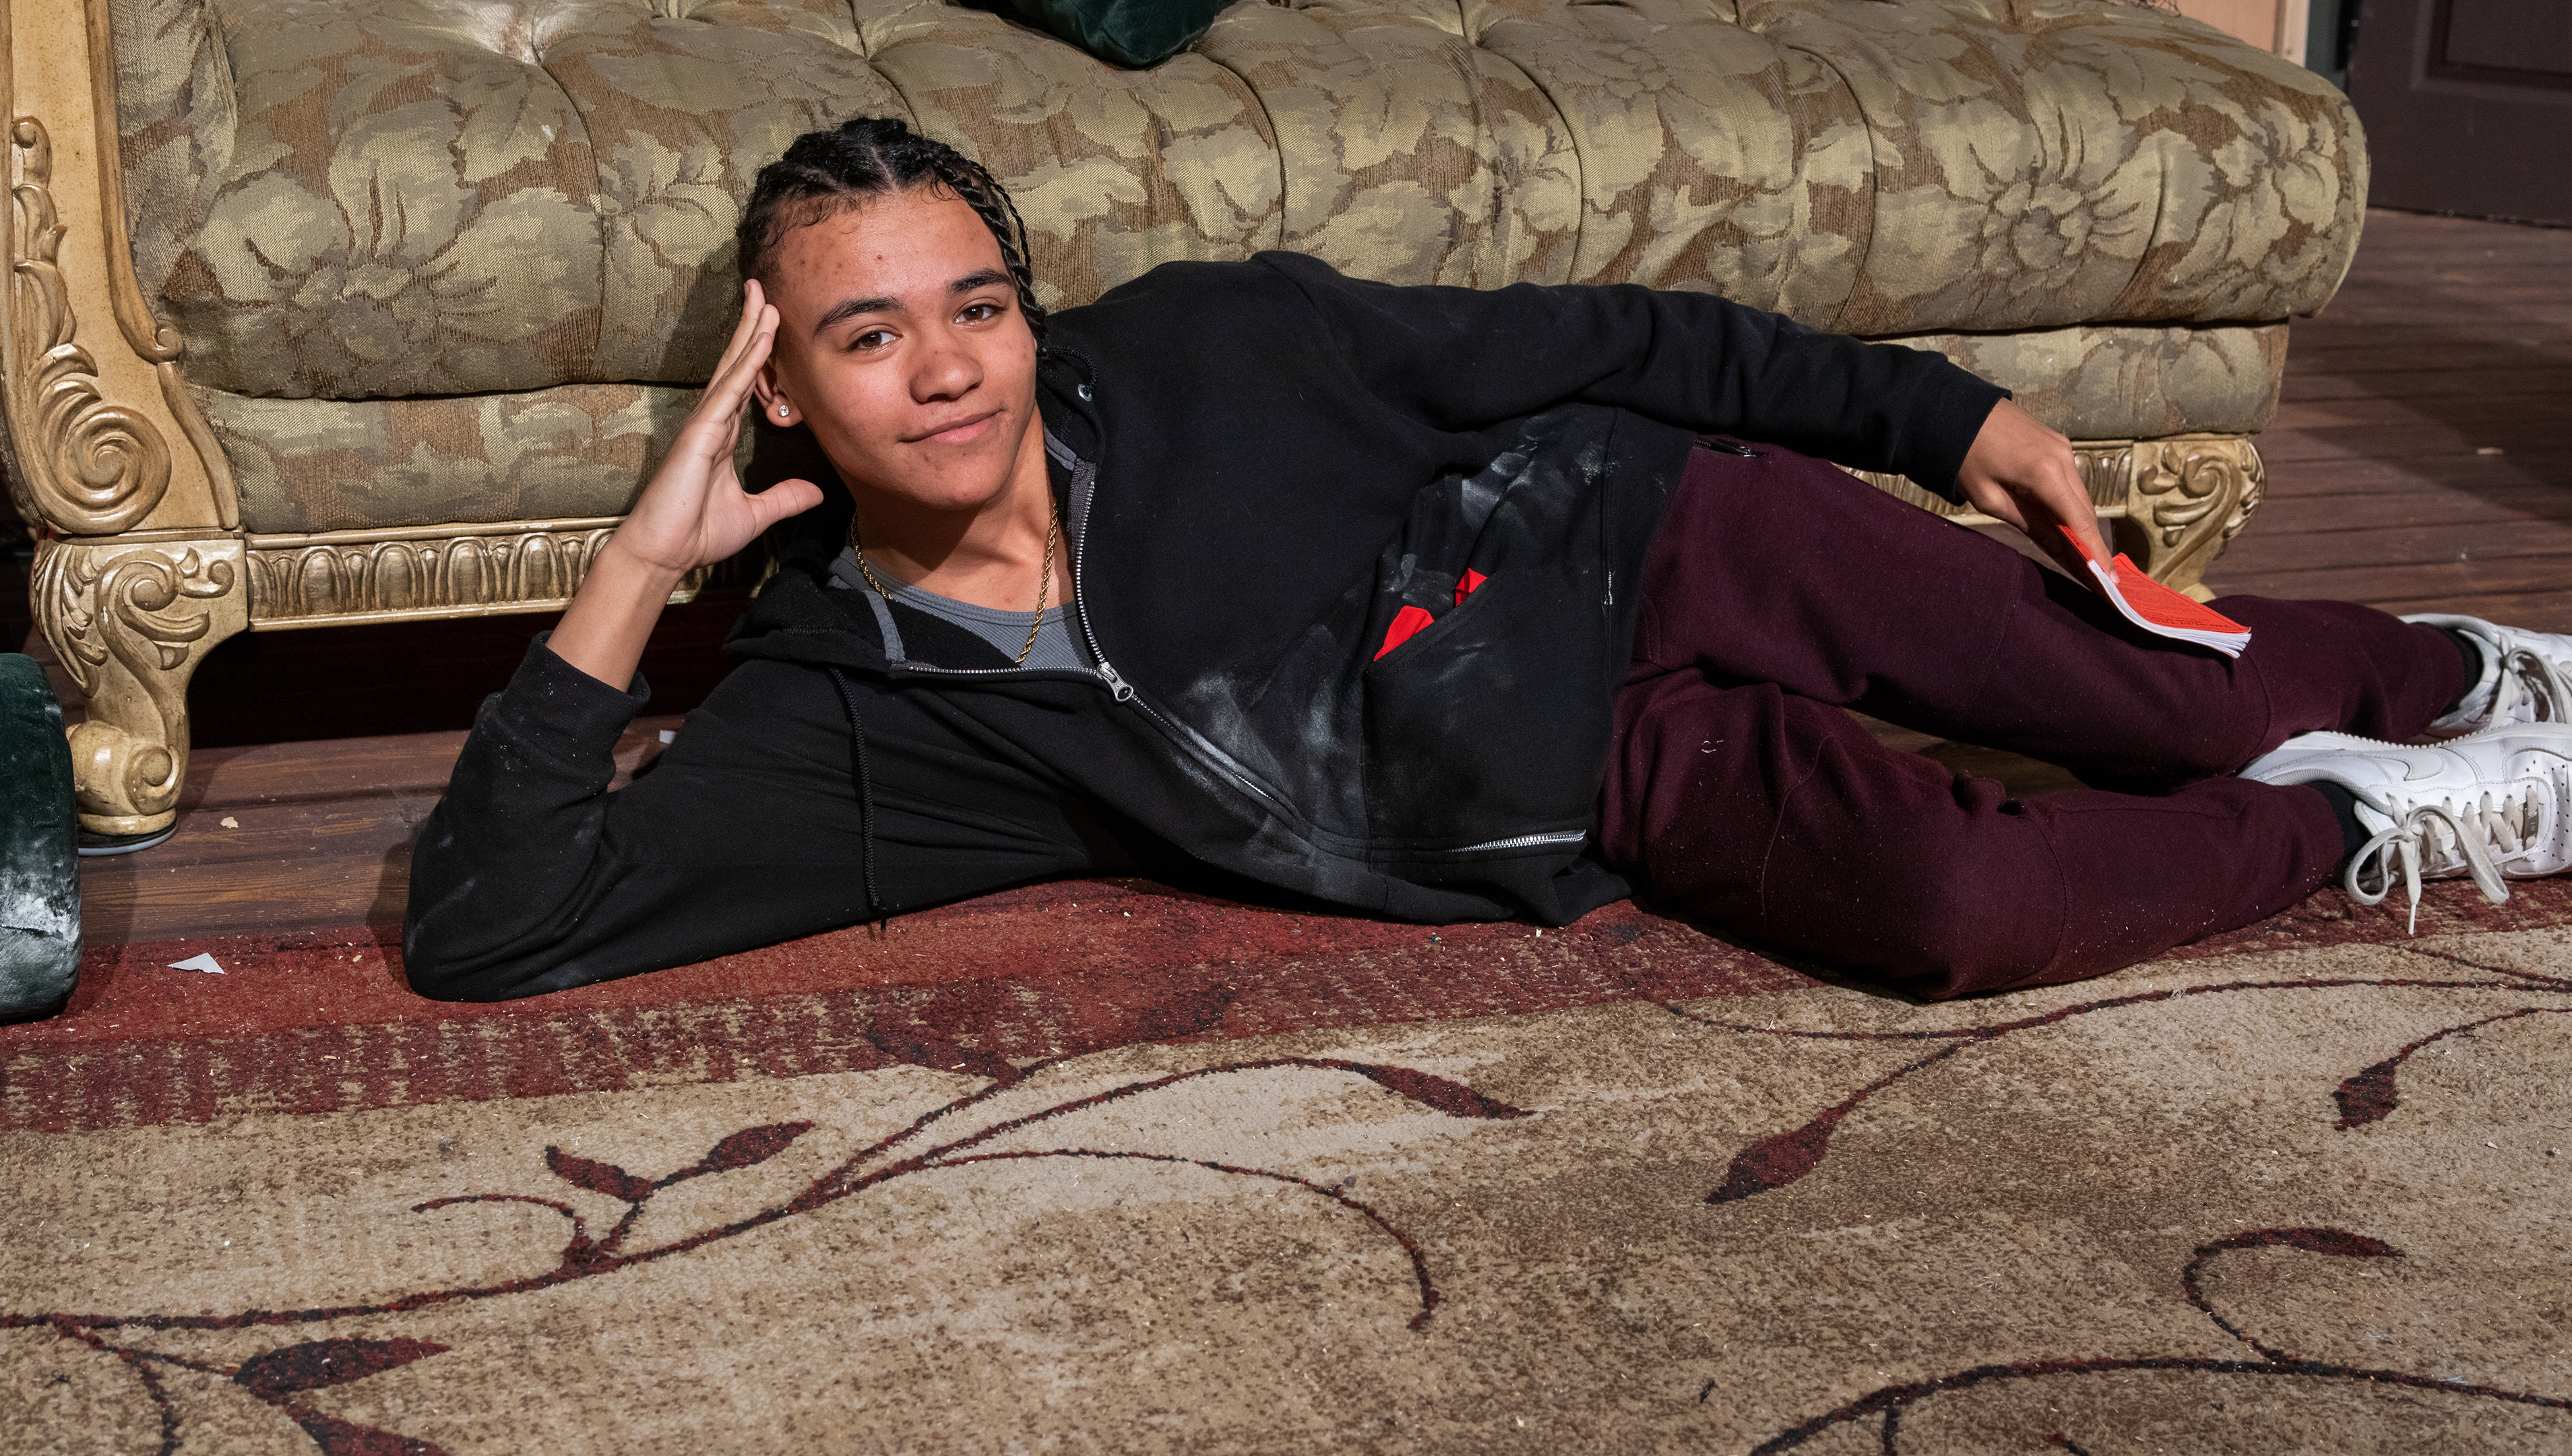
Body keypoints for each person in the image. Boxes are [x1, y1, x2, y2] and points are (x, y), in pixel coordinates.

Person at [402, 117, 2572, 1005]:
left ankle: (2460, 669)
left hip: (1659, 535)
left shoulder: (1216, 344)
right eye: (869, 336)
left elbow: (1612, 337)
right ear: (780, 389)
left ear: (1030, 311)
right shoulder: (852, 708)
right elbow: (495, 927)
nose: (948, 368)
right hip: (1592, 772)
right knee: (1959, 912)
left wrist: (1944, 417)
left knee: (2146, 685)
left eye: (977, 304)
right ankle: (2350, 816)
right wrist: (638, 569)